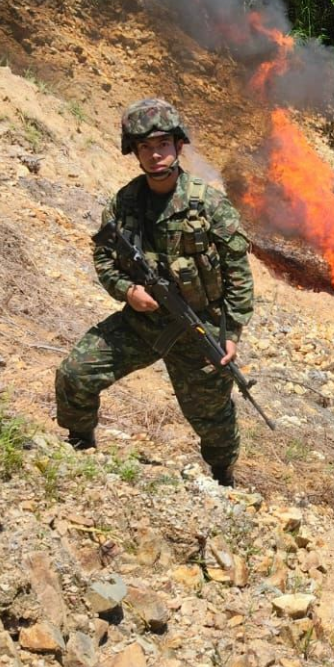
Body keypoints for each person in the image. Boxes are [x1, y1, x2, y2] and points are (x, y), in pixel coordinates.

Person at [54, 97, 254, 484]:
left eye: (163, 143)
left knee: (213, 420)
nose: (155, 154)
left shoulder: (209, 204)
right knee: (75, 374)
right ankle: (80, 447)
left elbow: (237, 274)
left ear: (178, 145)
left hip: (199, 329)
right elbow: (105, 258)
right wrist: (128, 292)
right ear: (135, 152)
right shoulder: (125, 203)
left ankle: (223, 477)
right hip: (143, 322)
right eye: (145, 147)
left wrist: (232, 333)